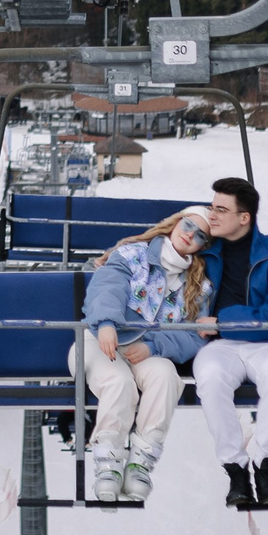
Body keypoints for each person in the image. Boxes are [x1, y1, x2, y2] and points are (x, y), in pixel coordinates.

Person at [71, 205, 213, 505]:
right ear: (175, 223)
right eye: (188, 225)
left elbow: (194, 336)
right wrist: (107, 323)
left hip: (146, 353)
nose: (190, 235)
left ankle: (141, 462)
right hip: (98, 341)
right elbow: (107, 288)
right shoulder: (133, 255)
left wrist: (152, 347)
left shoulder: (198, 284)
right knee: (118, 382)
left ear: (204, 245)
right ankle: (108, 463)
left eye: (200, 235)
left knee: (165, 376)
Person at [190, 176, 268, 509]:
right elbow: (160, 250)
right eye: (212, 207)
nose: (212, 216)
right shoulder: (204, 250)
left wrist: (224, 322)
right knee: (210, 378)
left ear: (245, 217)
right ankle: (236, 470)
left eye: (221, 210)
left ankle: (266, 468)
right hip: (219, 347)